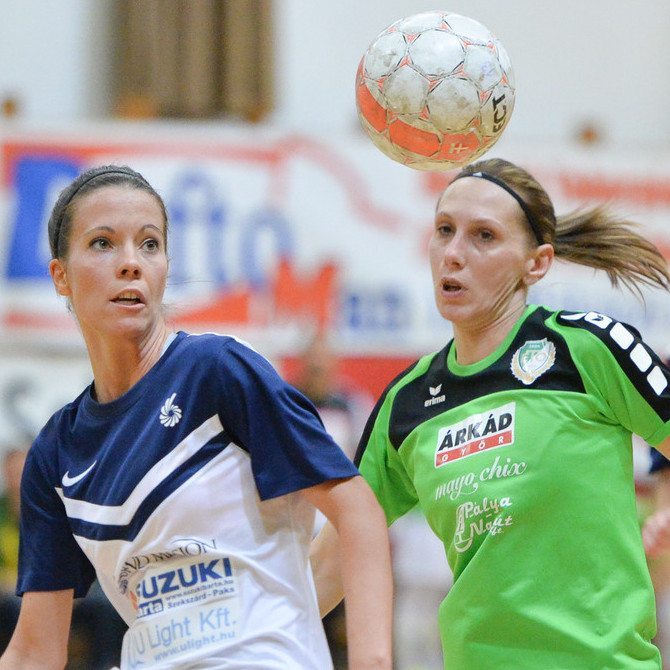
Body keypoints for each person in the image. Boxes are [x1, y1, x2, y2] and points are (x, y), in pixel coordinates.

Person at [0, 165, 393, 670]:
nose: (130, 264)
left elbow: (357, 512)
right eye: (102, 244)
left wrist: (373, 660)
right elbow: (34, 650)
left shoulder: (218, 371)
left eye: (149, 244)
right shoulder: (57, 451)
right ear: (61, 276)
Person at [311, 157, 670, 669]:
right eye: (444, 231)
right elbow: (333, 559)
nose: (453, 254)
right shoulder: (407, 403)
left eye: (483, 236)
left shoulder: (586, 348)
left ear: (536, 262)